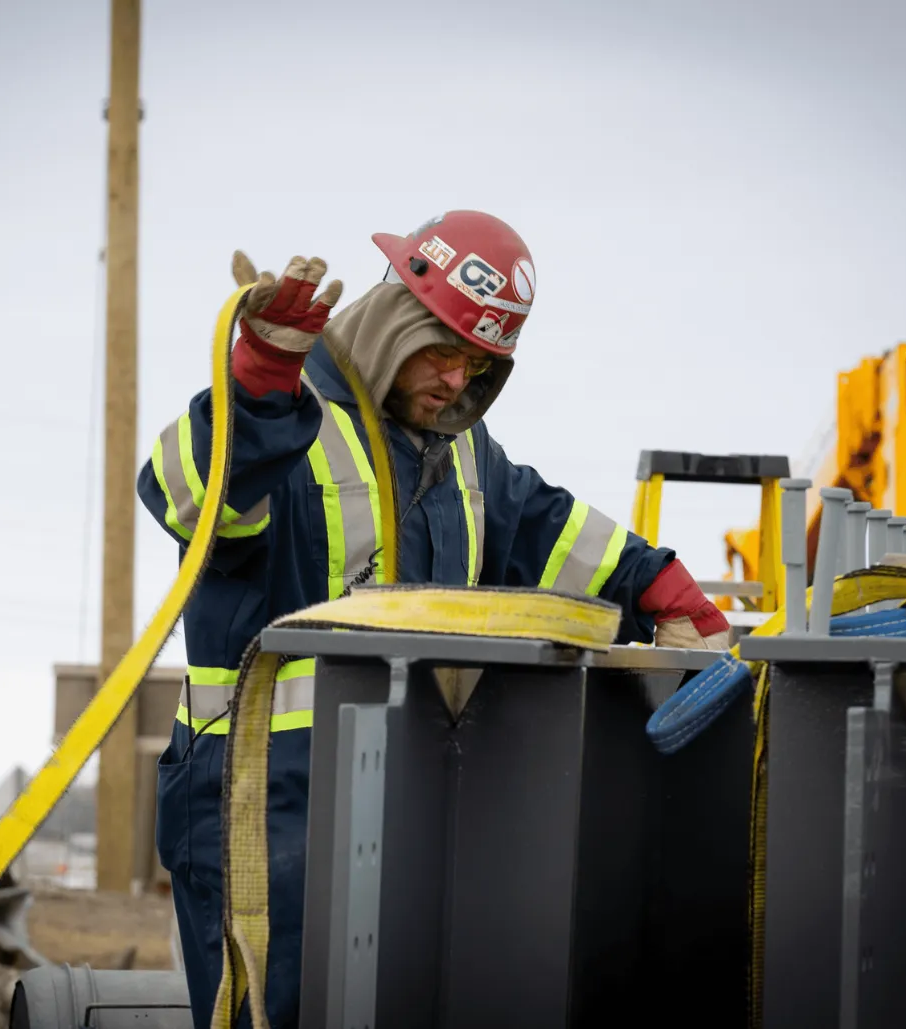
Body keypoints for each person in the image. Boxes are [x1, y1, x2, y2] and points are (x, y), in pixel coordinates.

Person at [137, 209, 730, 1028]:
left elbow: (541, 525)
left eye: (480, 364)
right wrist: (260, 382)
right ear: (391, 324)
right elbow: (188, 495)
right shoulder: (284, 416)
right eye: (444, 353)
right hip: (262, 793)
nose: (458, 382)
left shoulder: (461, 447)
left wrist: (662, 585)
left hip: (407, 787)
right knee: (273, 1013)